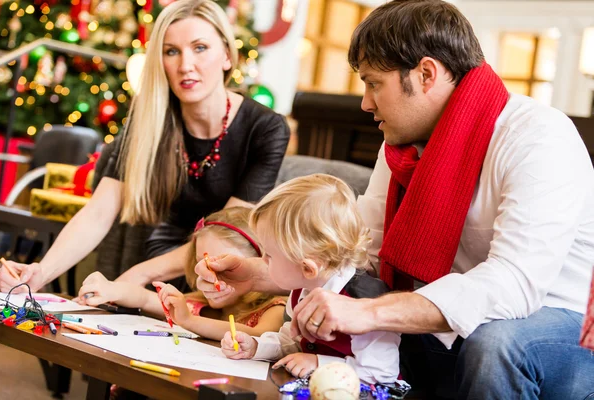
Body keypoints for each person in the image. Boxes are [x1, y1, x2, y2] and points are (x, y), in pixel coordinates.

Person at [195, 1, 594, 399]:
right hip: (467, 319)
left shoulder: (538, 137)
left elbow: (514, 286)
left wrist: (369, 313)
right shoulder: (402, 147)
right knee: (365, 324)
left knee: (492, 344)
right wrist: (262, 273)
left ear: (425, 74)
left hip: (559, 322)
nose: (366, 103)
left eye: (373, 83)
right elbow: (357, 252)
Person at [0, 0, 289, 294]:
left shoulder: (266, 129)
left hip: (222, 276)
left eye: (200, 48)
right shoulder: (148, 119)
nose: (185, 65)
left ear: (227, 55)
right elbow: (98, 212)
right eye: (171, 51)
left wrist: (136, 276)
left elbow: (229, 235)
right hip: (155, 262)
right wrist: (40, 272)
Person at [220, 174, 400, 384]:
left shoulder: (364, 304)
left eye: (269, 254)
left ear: (307, 267)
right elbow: (292, 341)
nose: (262, 260)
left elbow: (382, 372)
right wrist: (256, 347)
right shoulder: (303, 287)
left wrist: (318, 363)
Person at [76, 207, 286, 340]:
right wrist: (111, 289)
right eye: (200, 265)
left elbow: (261, 337)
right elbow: (144, 298)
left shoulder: (274, 309)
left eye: (221, 266)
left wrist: (190, 321)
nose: (208, 276)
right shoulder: (196, 303)